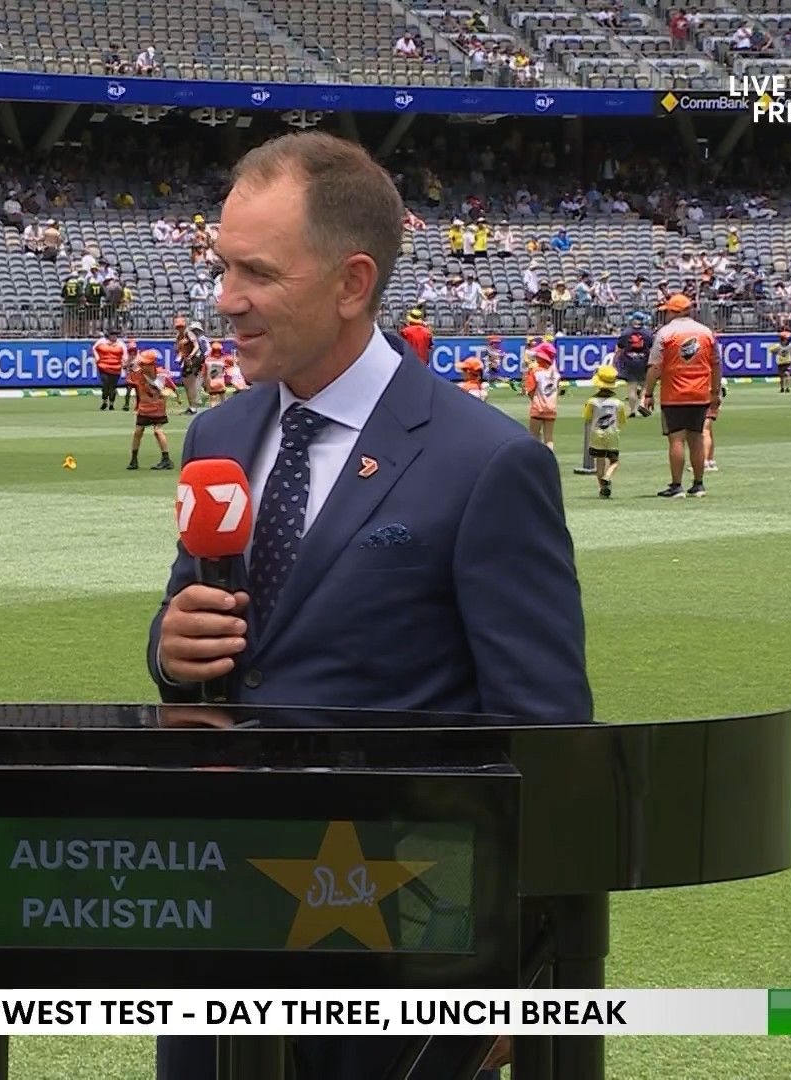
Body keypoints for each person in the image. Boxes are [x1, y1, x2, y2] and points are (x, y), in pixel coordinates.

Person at [147, 131, 587, 1080]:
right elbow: (207, 631)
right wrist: (171, 647)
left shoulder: (487, 462)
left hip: (393, 927)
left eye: (257, 273)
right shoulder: (218, 434)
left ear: (353, 283)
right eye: (223, 267)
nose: (225, 298)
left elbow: (545, 734)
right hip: (218, 907)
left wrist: (519, 962)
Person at [642, 293, 718, 497]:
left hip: (674, 394)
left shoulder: (666, 333)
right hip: (700, 392)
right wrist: (715, 392)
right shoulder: (706, 332)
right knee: (696, 438)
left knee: (676, 439)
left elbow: (655, 366)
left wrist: (648, 393)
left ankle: (676, 485)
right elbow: (716, 364)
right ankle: (698, 484)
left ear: (674, 312)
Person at [581, 363, 627, 498]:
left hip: (596, 433)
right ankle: (607, 476)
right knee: (614, 461)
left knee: (599, 461)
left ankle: (602, 488)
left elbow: (587, 417)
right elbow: (622, 420)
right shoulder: (618, 403)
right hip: (612, 433)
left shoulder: (592, 401)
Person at [126, 349, 176, 470]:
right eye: (141, 363)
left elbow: (172, 388)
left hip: (158, 409)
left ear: (152, 364)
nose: (141, 365)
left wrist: (165, 393)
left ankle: (166, 459)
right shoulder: (137, 374)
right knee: (138, 431)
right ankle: (133, 460)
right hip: (144, 408)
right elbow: (129, 380)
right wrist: (129, 369)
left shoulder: (163, 375)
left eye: (144, 364)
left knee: (158, 431)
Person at [523, 340, 559, 451]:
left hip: (537, 409)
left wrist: (535, 400)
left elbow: (530, 391)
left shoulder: (535, 372)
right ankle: (550, 458)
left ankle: (535, 459)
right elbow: (557, 390)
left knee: (534, 436)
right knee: (549, 439)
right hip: (551, 408)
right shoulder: (556, 374)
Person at [93, 327, 128, 411]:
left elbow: (125, 354)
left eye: (115, 334)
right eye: (112, 334)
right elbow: (94, 348)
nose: (114, 336)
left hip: (116, 368)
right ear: (108, 335)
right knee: (105, 385)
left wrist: (124, 362)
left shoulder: (121, 344)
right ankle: (104, 401)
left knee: (112, 387)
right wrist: (97, 357)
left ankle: (111, 404)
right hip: (103, 367)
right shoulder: (102, 341)